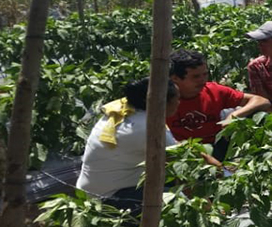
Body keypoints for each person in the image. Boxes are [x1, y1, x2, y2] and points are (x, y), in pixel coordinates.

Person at [77, 78, 223, 211]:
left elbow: (178, 148)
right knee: (180, 203)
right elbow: (182, 172)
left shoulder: (123, 110)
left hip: (89, 193)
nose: (179, 103)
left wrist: (207, 159)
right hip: (113, 199)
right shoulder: (149, 128)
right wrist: (209, 210)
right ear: (162, 102)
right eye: (177, 99)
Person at [167, 49, 271, 161]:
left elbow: (262, 101)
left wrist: (235, 115)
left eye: (205, 74)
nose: (203, 80)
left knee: (260, 115)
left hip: (217, 147)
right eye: (196, 76)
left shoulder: (214, 91)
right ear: (175, 78)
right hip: (181, 152)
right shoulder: (163, 100)